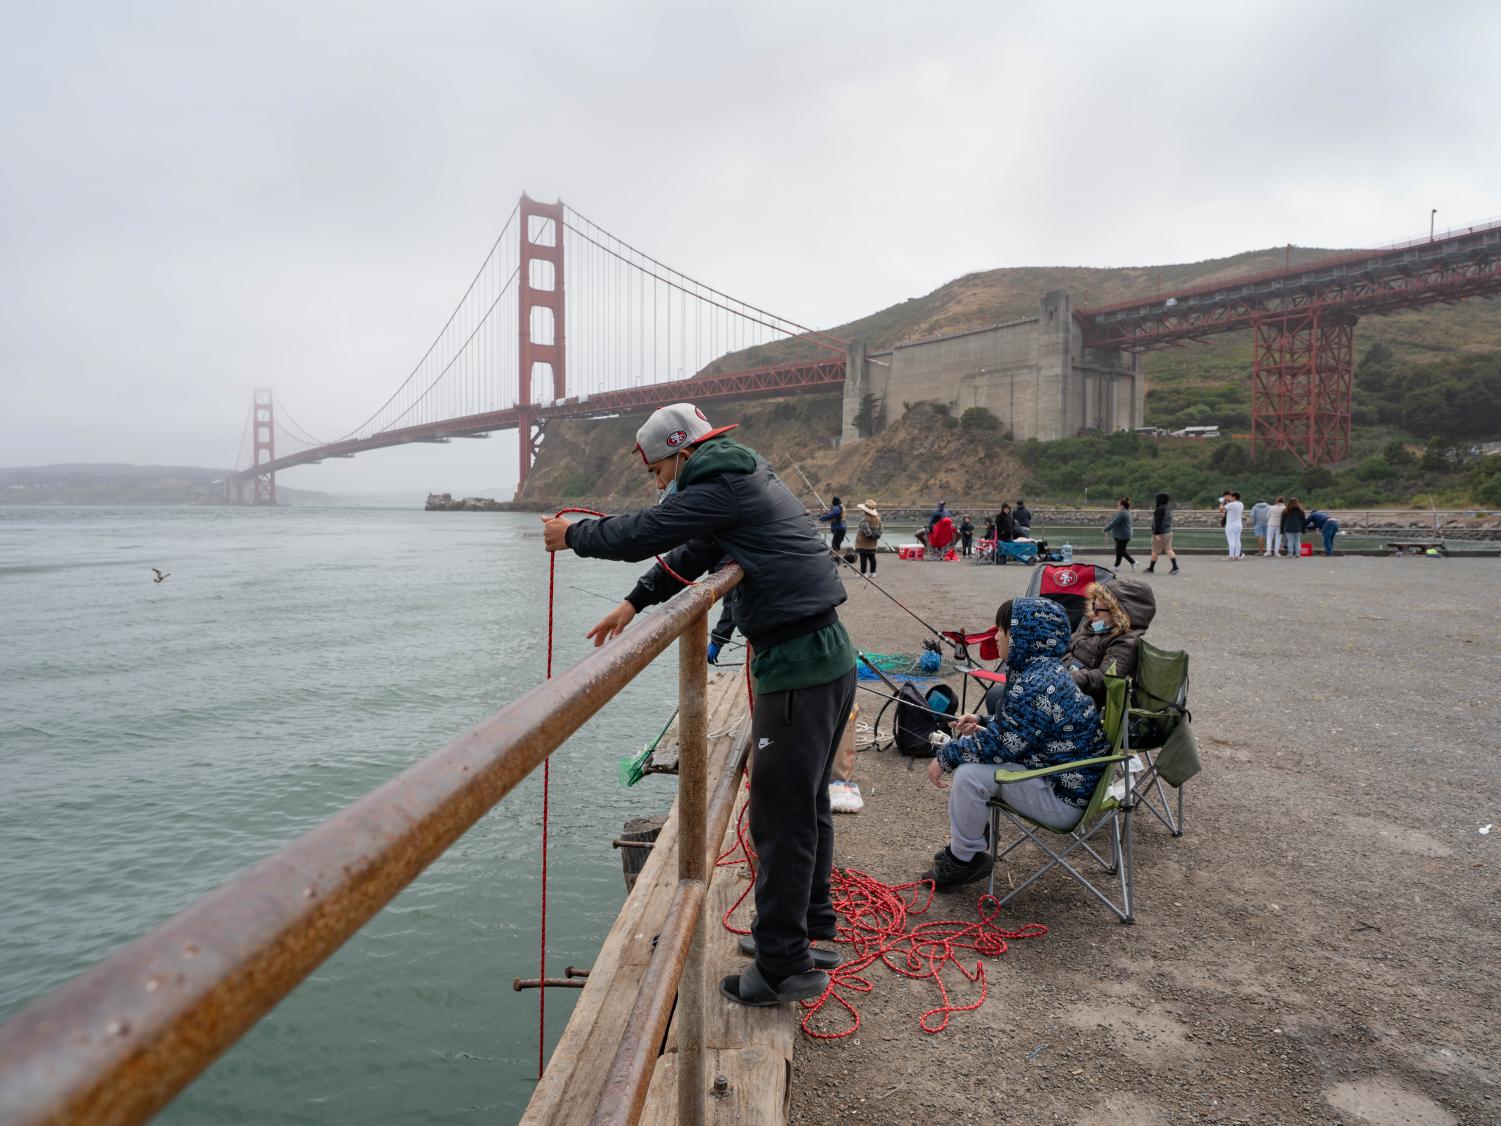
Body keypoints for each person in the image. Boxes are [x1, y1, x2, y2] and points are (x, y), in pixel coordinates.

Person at [542, 402, 856, 1006]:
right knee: (805, 802)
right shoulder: (740, 477)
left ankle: (784, 967)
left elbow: (643, 533)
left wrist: (573, 536)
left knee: (779, 818)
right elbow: (691, 554)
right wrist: (635, 603)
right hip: (825, 653)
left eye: (657, 471)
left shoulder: (716, 481)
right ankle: (811, 929)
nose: (658, 484)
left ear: (678, 453)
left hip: (797, 664)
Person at [920, 598, 1112, 890]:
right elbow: (1021, 729)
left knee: (969, 775)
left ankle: (963, 861)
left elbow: (1002, 745)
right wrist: (983, 720)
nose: (996, 636)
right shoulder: (1046, 672)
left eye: (1002, 630)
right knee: (977, 760)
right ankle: (970, 845)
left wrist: (946, 757)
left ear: (1024, 635)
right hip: (1065, 782)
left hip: (1063, 799)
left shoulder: (1036, 683)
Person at [1067, 579, 1156, 706]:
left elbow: (1106, 678)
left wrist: (1068, 679)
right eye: (1092, 606)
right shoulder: (1092, 627)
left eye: (1097, 609)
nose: (1091, 614)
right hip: (1068, 684)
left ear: (1118, 614)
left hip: (1086, 702)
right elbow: (1065, 647)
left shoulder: (1125, 643)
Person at [1146, 492, 1180, 575]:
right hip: (1168, 531)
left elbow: (1158, 522)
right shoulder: (1168, 508)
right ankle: (1175, 567)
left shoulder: (1160, 509)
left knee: (1155, 550)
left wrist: (1156, 533)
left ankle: (1151, 568)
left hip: (1161, 533)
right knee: (1169, 549)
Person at [1103, 497, 1135, 569]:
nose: (1117, 507)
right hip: (1125, 535)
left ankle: (1118, 565)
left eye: (1118, 505)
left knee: (1120, 551)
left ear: (1122, 506)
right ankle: (1131, 563)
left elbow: (1114, 523)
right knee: (1121, 551)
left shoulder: (1122, 513)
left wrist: (1106, 529)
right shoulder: (1127, 512)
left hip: (1122, 536)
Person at [853, 499, 882, 575]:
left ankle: (864, 573)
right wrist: (876, 536)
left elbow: (866, 531)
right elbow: (881, 530)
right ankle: (873, 572)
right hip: (873, 543)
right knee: (872, 558)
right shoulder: (878, 518)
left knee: (863, 558)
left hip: (863, 543)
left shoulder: (864, 519)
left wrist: (870, 536)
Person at [1221, 490, 1245, 560]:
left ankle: (1231, 556)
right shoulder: (1241, 504)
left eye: (1231, 497)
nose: (1230, 498)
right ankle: (1237, 555)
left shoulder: (1231, 504)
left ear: (1234, 497)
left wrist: (1222, 502)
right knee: (1237, 540)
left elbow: (1221, 509)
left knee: (1231, 541)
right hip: (1239, 524)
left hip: (1231, 525)